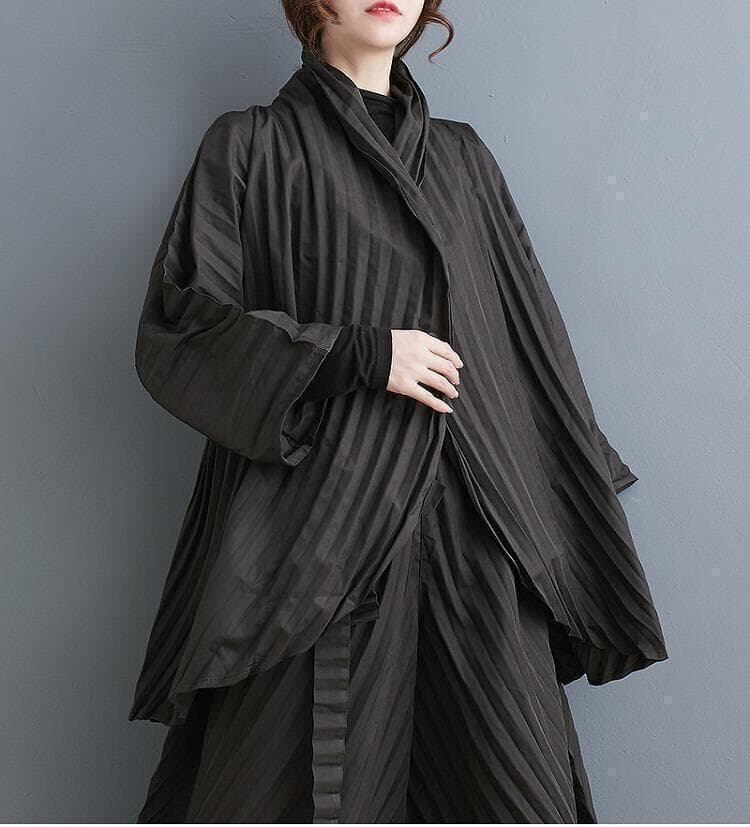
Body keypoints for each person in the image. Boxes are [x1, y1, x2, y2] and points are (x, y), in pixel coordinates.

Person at [128, 0, 669, 822]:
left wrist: (575, 479)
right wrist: (358, 353)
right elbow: (182, 326)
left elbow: (525, 340)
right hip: (314, 536)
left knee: (506, 780)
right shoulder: (250, 145)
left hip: (473, 531)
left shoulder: (463, 159)